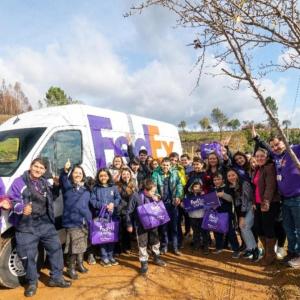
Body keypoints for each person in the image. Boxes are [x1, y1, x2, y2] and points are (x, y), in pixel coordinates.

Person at [8, 158, 71, 297]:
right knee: (28, 255)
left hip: (45, 223)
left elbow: (51, 197)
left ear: (44, 171)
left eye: (41, 168)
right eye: (36, 166)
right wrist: (22, 208)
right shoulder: (19, 182)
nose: (38, 170)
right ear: (31, 166)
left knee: (55, 249)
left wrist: (55, 186)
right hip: (26, 225)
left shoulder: (44, 182)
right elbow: (12, 199)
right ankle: (32, 283)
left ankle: (57, 278)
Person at [252, 125, 300, 268]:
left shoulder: (295, 150)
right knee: (288, 228)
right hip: (284, 199)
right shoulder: (275, 156)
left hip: (298, 197)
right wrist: (256, 137)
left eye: (277, 144)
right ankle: (292, 252)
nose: (275, 148)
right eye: (272, 146)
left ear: (284, 141)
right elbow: (264, 147)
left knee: (299, 228)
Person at [59, 160, 92, 279]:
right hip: (72, 221)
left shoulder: (86, 189)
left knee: (82, 244)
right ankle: (70, 268)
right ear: (72, 174)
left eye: (80, 173)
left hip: (84, 222)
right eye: (75, 172)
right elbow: (63, 178)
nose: (78, 175)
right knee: (73, 246)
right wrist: (65, 170)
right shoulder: (67, 186)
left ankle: (80, 264)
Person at [126, 179, 166, 274]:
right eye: (152, 191)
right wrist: (129, 224)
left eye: (154, 191)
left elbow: (159, 208)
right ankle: (144, 262)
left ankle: (156, 257)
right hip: (140, 225)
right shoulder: (135, 196)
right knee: (142, 243)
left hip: (153, 224)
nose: (154, 193)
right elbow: (129, 211)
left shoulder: (154, 196)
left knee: (155, 241)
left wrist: (157, 200)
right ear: (145, 190)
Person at [252, 148, 281, 265]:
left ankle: (270, 255)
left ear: (267, 156)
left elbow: (270, 186)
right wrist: (254, 202)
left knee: (268, 227)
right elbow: (256, 187)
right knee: (258, 227)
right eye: (257, 156)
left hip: (269, 203)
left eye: (262, 156)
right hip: (258, 203)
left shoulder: (270, 168)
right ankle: (267, 252)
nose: (259, 158)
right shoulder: (257, 169)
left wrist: (266, 202)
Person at [152, 157, 183, 255]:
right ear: (161, 165)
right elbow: (153, 186)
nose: (165, 167)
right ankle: (164, 246)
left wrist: (178, 196)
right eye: (164, 165)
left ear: (170, 166)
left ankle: (175, 247)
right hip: (161, 204)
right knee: (164, 226)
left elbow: (179, 185)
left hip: (173, 203)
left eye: (167, 165)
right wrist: (156, 194)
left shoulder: (175, 173)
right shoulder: (156, 174)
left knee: (174, 226)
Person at [90, 168, 121, 267]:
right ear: (98, 177)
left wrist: (113, 204)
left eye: (105, 175)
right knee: (102, 236)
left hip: (112, 216)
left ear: (108, 176)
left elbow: (118, 198)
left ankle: (110, 255)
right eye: (101, 176)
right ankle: (104, 257)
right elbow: (93, 201)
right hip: (101, 216)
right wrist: (103, 205)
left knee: (111, 236)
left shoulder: (113, 187)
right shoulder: (95, 188)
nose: (103, 177)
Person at [227, 168, 259, 261]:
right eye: (229, 176)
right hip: (240, 209)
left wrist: (242, 216)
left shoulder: (244, 183)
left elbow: (245, 201)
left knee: (245, 227)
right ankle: (250, 248)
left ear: (237, 175)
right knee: (242, 228)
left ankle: (255, 250)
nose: (231, 177)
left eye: (233, 175)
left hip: (249, 207)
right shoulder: (231, 186)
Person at [212, 173, 240, 259]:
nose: (216, 181)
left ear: (223, 180)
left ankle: (236, 250)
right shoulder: (213, 189)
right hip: (216, 213)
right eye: (215, 180)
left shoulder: (227, 188)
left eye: (218, 179)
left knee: (230, 232)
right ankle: (219, 247)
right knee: (217, 231)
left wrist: (223, 195)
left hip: (226, 213)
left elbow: (231, 199)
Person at [183, 180, 209, 254]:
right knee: (195, 232)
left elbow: (209, 205)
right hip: (192, 217)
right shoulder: (188, 195)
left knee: (204, 232)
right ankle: (196, 245)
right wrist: (183, 205)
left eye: (199, 187)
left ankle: (206, 247)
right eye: (195, 186)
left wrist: (204, 196)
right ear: (192, 187)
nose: (197, 188)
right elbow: (185, 206)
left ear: (201, 188)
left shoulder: (204, 195)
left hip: (202, 216)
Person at [116, 167, 137, 253]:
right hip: (121, 210)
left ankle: (127, 247)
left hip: (130, 210)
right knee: (120, 230)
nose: (126, 176)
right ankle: (120, 248)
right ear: (121, 175)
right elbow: (122, 196)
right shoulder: (118, 185)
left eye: (127, 174)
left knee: (128, 230)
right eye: (124, 174)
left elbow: (136, 196)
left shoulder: (133, 184)